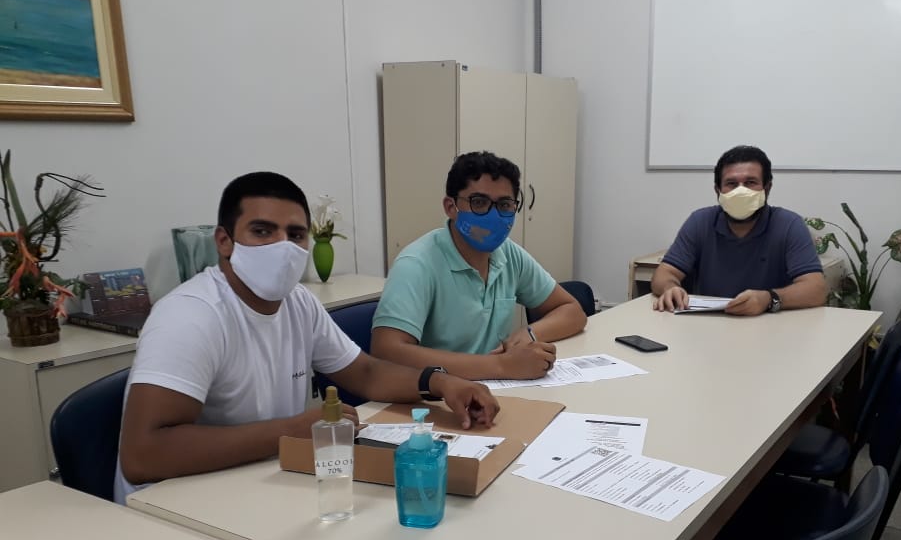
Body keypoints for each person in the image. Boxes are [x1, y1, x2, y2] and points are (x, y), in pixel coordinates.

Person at [115, 172, 499, 504]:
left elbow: (363, 374)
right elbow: (144, 455)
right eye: (262, 231)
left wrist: (439, 382)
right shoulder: (190, 316)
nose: (282, 246)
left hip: (260, 480)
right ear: (224, 241)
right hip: (173, 509)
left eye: (295, 234)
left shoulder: (298, 302)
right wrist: (290, 431)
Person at [371, 151, 587, 380]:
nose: (493, 215)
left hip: (494, 390)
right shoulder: (417, 264)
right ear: (450, 207)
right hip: (435, 397)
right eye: (479, 202)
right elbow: (387, 353)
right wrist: (501, 366)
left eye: (504, 205)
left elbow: (573, 311)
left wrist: (529, 334)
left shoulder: (508, 254)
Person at [651, 145, 827, 315]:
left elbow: (816, 288)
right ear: (717, 190)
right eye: (731, 183)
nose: (741, 191)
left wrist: (769, 299)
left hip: (770, 329)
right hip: (708, 327)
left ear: (767, 188)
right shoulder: (700, 221)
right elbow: (664, 274)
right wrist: (671, 288)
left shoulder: (789, 224)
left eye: (750, 182)